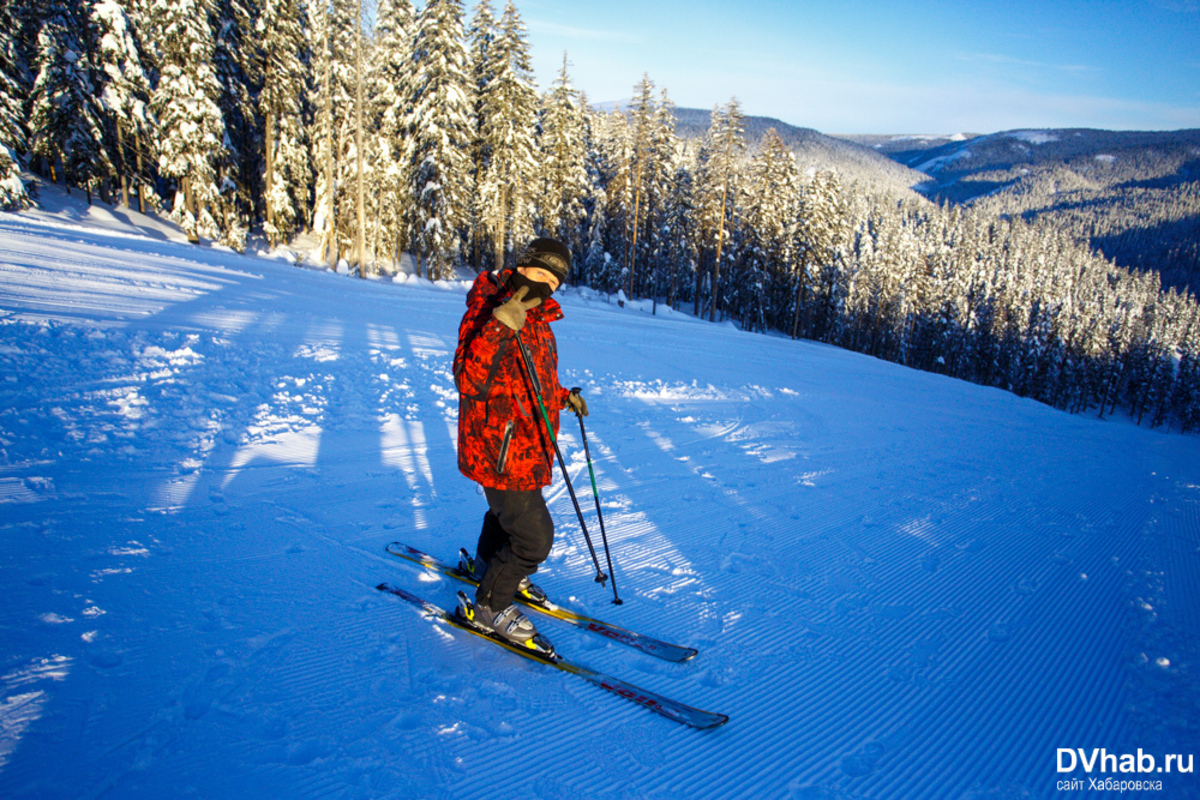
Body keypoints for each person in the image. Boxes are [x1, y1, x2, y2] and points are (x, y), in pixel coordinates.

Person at [451, 237, 588, 649]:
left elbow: (529, 378)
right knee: (533, 537)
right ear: (521, 266)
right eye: (538, 271)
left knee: (505, 517)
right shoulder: (490, 306)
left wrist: (562, 397)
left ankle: (487, 567)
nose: (544, 282)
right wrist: (499, 324)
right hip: (499, 447)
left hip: (526, 444)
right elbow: (468, 380)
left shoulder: (538, 317)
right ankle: (491, 604)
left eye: (554, 278)